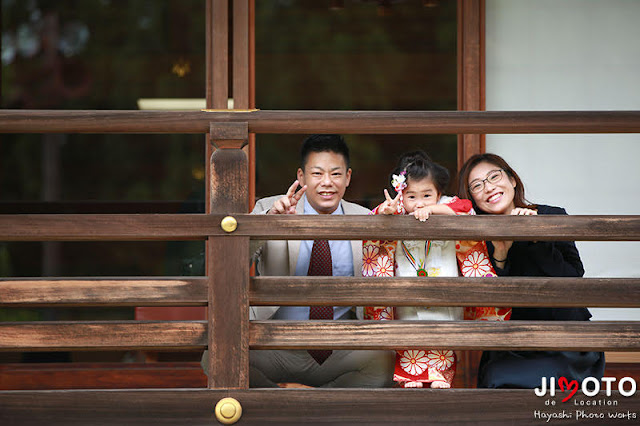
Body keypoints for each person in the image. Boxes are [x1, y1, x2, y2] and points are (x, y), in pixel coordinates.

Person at [203, 134, 394, 388]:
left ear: (347, 178)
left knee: (384, 362)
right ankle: (288, 403)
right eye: (317, 174)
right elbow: (232, 260)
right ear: (301, 177)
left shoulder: (366, 217)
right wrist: (269, 223)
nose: (327, 183)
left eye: (335, 174)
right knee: (215, 357)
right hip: (277, 343)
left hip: (339, 347)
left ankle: (311, 405)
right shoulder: (271, 208)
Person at [363, 151, 510, 389]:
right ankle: (412, 377)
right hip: (408, 289)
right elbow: (375, 224)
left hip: (444, 289)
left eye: (427, 195)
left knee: (444, 335)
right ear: (401, 195)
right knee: (409, 334)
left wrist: (434, 211)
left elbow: (465, 209)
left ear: (439, 194)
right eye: (412, 196)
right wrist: (387, 213)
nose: (419, 202)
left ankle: (440, 376)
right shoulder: (396, 210)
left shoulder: (445, 205)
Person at [458, 153, 605, 389]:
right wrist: (501, 254)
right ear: (473, 199)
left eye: (494, 177)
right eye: (477, 185)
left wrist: (535, 236)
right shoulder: (479, 239)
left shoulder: (551, 216)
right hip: (515, 346)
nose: (489, 187)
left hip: (566, 344)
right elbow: (492, 303)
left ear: (512, 180)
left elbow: (574, 279)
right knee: (494, 377)